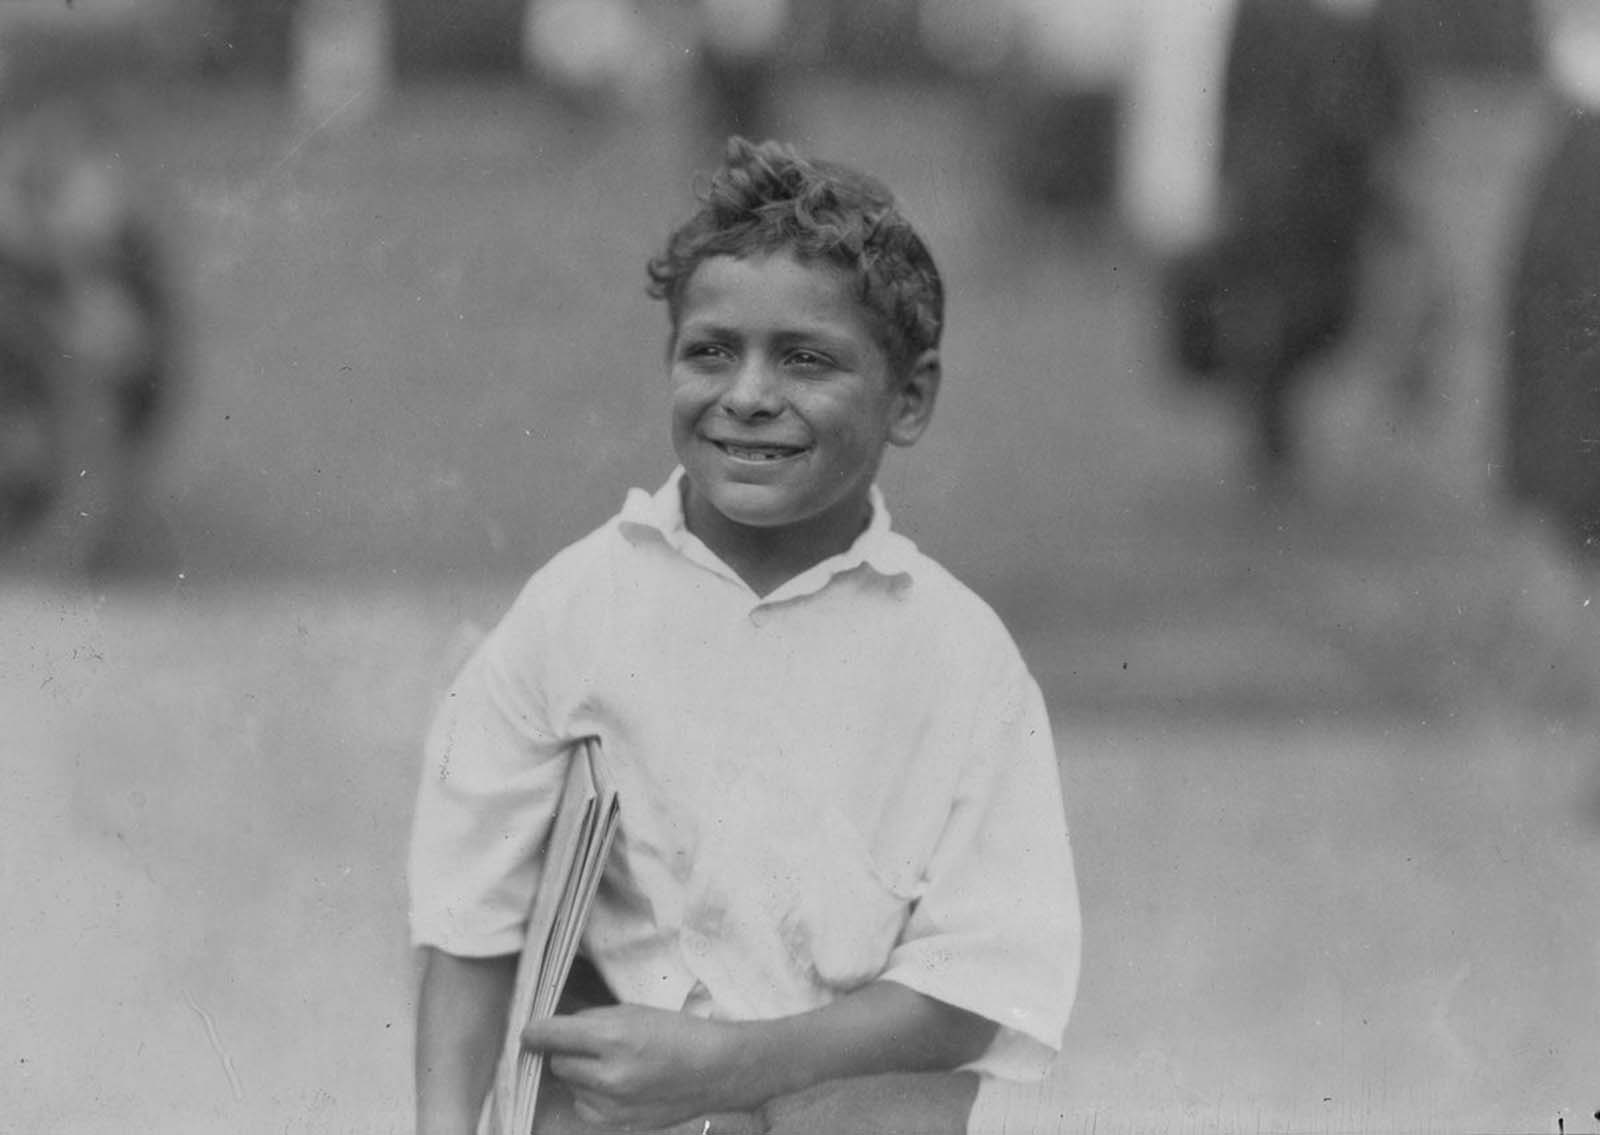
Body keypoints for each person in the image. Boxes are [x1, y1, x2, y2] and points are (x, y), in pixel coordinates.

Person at [409, 136, 1081, 1135]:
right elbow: (468, 920)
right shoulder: (576, 608)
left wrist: (731, 1068)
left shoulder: (960, 660)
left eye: (806, 358)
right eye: (710, 349)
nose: (749, 392)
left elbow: (988, 976)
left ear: (909, 397)